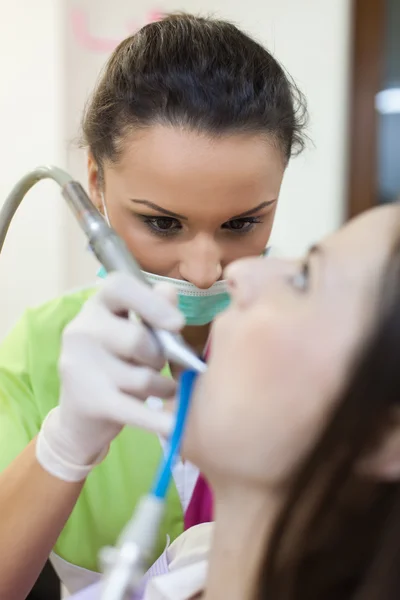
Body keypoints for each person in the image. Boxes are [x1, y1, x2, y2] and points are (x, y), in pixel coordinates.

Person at [0, 12, 307, 599]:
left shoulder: (324, 344)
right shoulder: (37, 349)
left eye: (243, 222)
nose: (204, 268)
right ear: (95, 183)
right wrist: (62, 447)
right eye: (162, 223)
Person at [71, 202, 400, 600]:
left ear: (386, 436)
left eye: (303, 279)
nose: (236, 272)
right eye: (162, 223)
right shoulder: (181, 565)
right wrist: (62, 448)